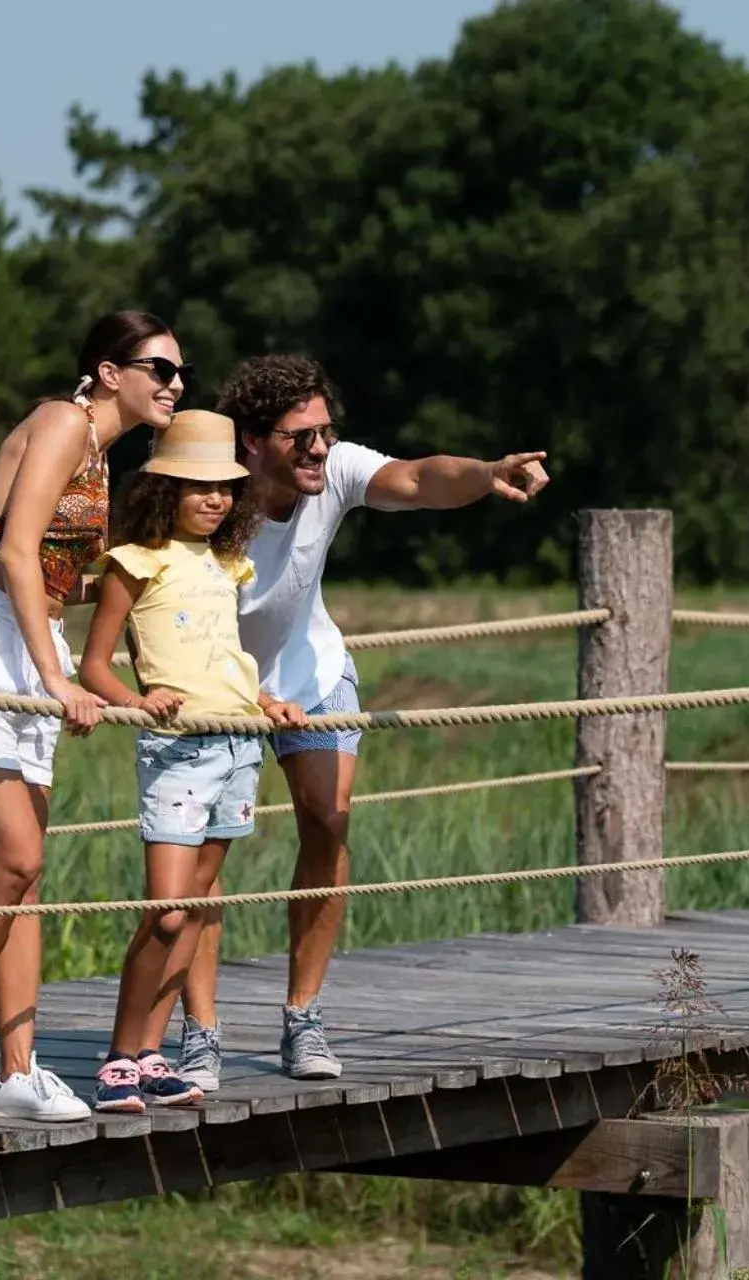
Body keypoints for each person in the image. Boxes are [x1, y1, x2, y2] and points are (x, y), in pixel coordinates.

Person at [169, 355, 551, 1089]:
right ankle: (201, 1032)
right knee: (204, 857)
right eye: (297, 437)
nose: (317, 449)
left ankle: (303, 1017)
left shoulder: (335, 468)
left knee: (330, 820)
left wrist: (486, 471)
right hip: (215, 684)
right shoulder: (208, 495)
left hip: (308, 674)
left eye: (324, 431)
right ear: (250, 443)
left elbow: (416, 478)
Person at [0, 311, 192, 1123]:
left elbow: (59, 575)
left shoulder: (101, 452)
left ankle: (19, 1070)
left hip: (29, 637)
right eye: (160, 370)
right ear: (108, 372)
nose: (175, 386)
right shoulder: (65, 421)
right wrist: (53, 675)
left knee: (24, 877)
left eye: (180, 374)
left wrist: (148, 581)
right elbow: (18, 551)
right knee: (15, 855)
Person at [75, 410, 309, 1111]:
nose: (213, 500)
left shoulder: (226, 565)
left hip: (238, 744)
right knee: (168, 911)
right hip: (178, 751)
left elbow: (221, 658)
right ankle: (120, 1055)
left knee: (199, 911)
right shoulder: (134, 562)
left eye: (225, 489)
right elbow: (94, 667)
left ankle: (151, 1054)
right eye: (197, 487)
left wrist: (264, 701)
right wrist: (137, 699)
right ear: (164, 490)